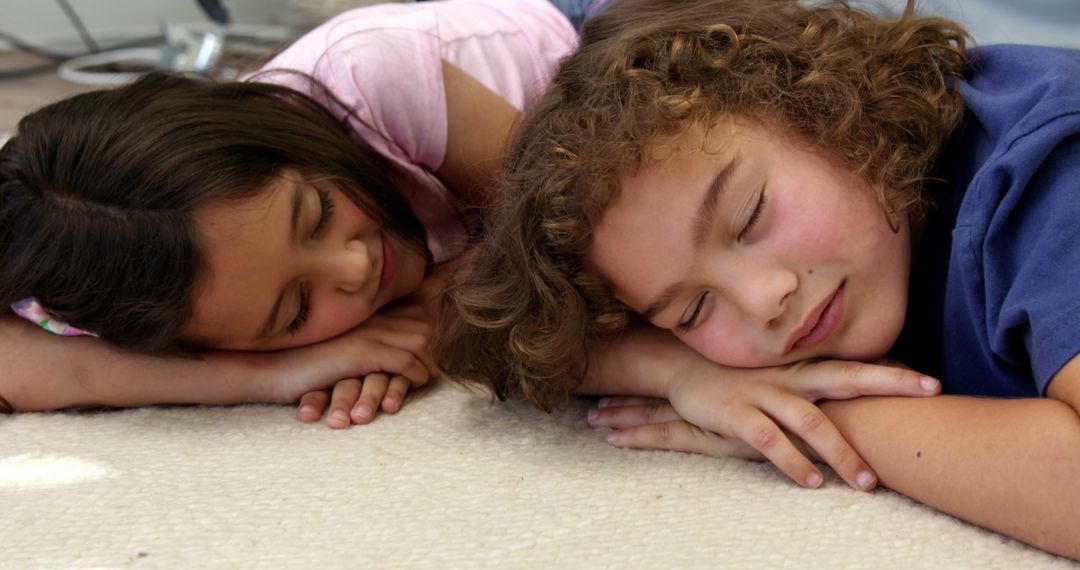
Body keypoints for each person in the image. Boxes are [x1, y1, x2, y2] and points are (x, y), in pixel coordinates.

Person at [438, 0, 1080, 558]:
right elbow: (499, 340)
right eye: (691, 314)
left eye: (750, 217)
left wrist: (817, 419)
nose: (762, 301)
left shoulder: (1047, 175)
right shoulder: (839, 241)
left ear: (828, 109)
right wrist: (683, 374)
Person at [0, 0, 578, 428]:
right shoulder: (116, 268)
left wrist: (432, 309)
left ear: (270, 130)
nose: (355, 265)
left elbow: (568, 233)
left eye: (319, 214)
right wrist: (276, 376)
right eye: (297, 309)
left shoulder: (374, 74)